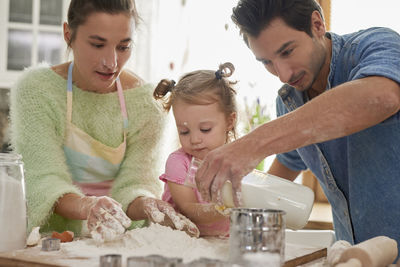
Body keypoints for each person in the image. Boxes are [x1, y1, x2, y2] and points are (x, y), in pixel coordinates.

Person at [195, 0, 400, 249]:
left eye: (287, 51)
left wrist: (253, 144)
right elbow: (279, 175)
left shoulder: (376, 44)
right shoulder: (289, 103)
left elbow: (383, 96)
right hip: (352, 256)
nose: (283, 75)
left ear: (317, 24)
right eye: (266, 62)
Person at [10, 0, 199, 242]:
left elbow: (136, 182)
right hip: (49, 239)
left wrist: (147, 203)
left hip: (118, 241)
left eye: (123, 47)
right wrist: (86, 206)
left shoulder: (146, 104)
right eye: (98, 44)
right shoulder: (37, 90)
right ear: (68, 34)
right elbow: (43, 177)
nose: (111, 62)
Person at [153, 62, 238, 236]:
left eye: (205, 129)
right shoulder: (178, 162)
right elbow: (188, 209)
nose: (194, 140)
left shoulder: (237, 159)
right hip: (183, 239)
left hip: (222, 241)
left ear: (229, 122)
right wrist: (223, 209)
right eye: (184, 131)